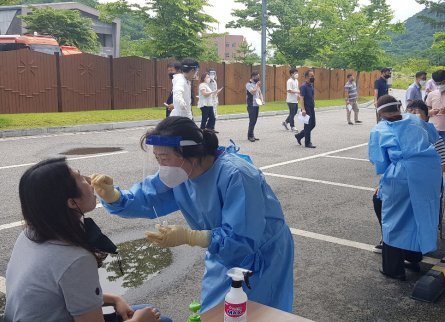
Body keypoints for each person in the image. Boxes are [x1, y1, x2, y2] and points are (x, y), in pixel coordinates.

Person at [90, 117, 294, 314]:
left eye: (165, 158)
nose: (162, 166)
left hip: (261, 255)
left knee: (256, 314)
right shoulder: (182, 172)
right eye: (157, 159)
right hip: (222, 251)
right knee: (214, 311)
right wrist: (114, 196)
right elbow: (148, 197)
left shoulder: (237, 175)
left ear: (191, 154)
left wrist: (190, 237)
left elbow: (242, 238)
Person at [5, 158, 170, 322]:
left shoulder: (30, 234)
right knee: (160, 319)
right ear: (72, 202)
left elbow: (64, 291)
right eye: (81, 178)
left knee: (147, 310)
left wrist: (115, 299)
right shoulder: (75, 259)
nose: (90, 180)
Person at [368, 95, 441, 280]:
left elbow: (380, 162)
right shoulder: (415, 120)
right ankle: (413, 257)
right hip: (428, 172)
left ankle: (393, 269)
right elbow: (434, 136)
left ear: (381, 112)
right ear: (399, 107)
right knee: (418, 213)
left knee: (394, 219)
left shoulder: (380, 130)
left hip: (402, 176)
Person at [295, 70, 317, 148]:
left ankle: (299, 136)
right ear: (307, 76)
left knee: (313, 124)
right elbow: (301, 98)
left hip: (311, 107)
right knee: (307, 126)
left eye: (313, 76)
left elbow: (312, 96)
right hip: (306, 108)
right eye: (311, 76)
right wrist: (303, 109)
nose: (313, 77)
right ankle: (307, 143)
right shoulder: (303, 86)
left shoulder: (311, 85)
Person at [246, 71, 264, 142]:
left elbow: (260, 93)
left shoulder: (257, 84)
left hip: (256, 104)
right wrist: (256, 85)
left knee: (255, 120)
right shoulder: (248, 84)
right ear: (253, 76)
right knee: (252, 120)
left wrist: (262, 100)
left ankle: (252, 135)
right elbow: (253, 92)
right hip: (251, 105)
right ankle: (250, 136)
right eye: (257, 77)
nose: (258, 78)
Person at [283, 68, 299, 132]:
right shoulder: (289, 81)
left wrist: (298, 95)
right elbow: (289, 90)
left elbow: (296, 89)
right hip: (290, 100)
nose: (297, 74)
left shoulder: (296, 81)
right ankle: (292, 126)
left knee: (294, 113)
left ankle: (285, 122)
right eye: (295, 73)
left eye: (297, 73)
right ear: (292, 74)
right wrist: (297, 92)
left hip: (295, 100)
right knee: (292, 113)